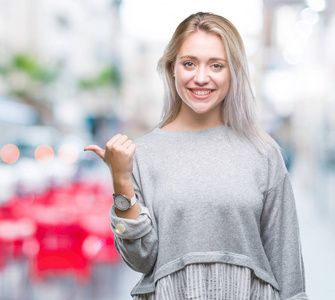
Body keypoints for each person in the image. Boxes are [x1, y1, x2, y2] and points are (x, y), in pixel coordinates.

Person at [84, 12, 308, 300]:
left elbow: (286, 259)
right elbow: (140, 260)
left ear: (233, 72)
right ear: (172, 69)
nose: (201, 78)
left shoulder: (263, 151)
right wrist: (121, 179)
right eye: (189, 63)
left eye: (216, 65)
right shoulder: (142, 154)